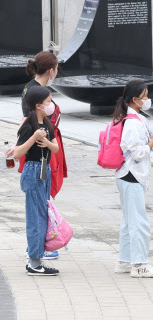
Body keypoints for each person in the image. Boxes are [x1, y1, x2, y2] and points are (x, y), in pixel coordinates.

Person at [8, 52, 67, 261]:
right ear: (52, 70)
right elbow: (26, 119)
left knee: (42, 204)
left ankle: (41, 246)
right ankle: (37, 251)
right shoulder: (35, 92)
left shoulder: (30, 87)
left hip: (44, 146)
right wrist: (20, 142)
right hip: (36, 152)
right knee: (39, 207)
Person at [112, 80, 153, 278]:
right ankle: (139, 264)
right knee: (138, 222)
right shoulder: (132, 122)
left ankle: (125, 261)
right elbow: (137, 153)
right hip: (131, 175)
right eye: (145, 96)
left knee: (129, 221)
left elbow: (140, 148)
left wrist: (152, 140)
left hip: (127, 175)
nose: (147, 100)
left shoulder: (133, 119)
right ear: (135, 100)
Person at [14, 86, 60, 276]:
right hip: (33, 171)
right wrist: (34, 137)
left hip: (44, 170)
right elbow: (18, 153)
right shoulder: (29, 126)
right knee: (36, 217)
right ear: (38, 105)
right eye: (49, 101)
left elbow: (55, 148)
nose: (52, 105)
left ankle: (37, 259)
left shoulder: (47, 124)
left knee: (43, 214)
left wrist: (47, 143)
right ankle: (34, 261)